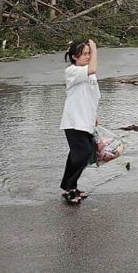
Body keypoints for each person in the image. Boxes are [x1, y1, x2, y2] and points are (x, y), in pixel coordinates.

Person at [59, 39, 98, 205]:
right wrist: (95, 48)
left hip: (85, 121)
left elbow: (92, 97)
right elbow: (93, 68)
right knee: (84, 153)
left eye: (90, 53)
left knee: (77, 155)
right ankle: (69, 188)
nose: (88, 57)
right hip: (74, 122)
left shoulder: (89, 74)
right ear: (75, 56)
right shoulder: (72, 71)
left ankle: (71, 186)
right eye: (85, 54)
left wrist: (95, 116)